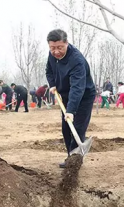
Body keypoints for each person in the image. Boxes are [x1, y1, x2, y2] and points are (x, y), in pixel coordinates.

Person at [45, 29, 96, 168]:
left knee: (77, 128)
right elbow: (49, 71)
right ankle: (70, 158)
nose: (56, 52)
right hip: (66, 96)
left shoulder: (77, 61)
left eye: (60, 47)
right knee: (66, 129)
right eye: (52, 48)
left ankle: (74, 163)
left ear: (66, 43)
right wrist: (53, 84)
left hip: (83, 96)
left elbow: (77, 87)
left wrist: (71, 110)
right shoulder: (52, 55)